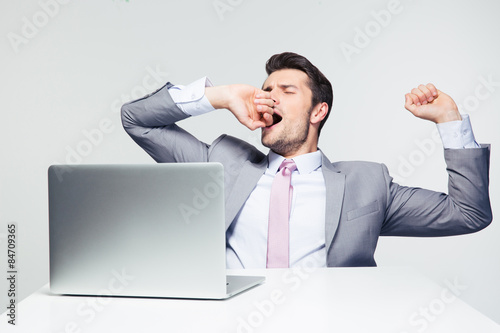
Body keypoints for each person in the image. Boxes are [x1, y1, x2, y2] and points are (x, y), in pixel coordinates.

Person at [121, 52, 492, 268]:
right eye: (265, 91)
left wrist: (449, 121)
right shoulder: (221, 163)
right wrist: (219, 95)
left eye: (286, 90)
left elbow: (468, 214)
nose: (269, 98)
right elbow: (136, 120)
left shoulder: (367, 184)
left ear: (318, 112)